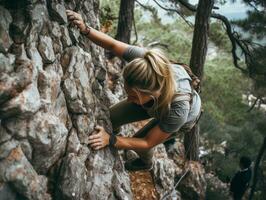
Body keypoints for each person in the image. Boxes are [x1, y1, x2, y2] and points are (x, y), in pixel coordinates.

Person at [66, 10, 202, 171]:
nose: (129, 99)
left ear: (150, 94)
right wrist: (85, 28)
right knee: (112, 117)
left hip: (179, 114)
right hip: (157, 99)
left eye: (133, 96)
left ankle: (146, 164)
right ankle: (114, 130)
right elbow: (113, 44)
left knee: (139, 142)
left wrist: (111, 140)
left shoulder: (178, 111)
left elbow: (148, 142)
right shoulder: (145, 64)